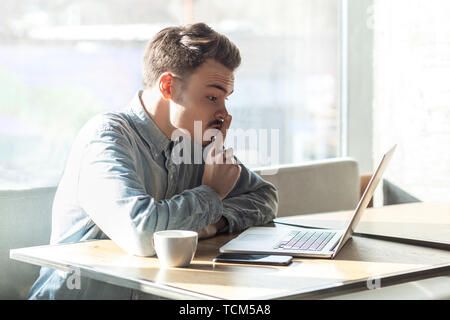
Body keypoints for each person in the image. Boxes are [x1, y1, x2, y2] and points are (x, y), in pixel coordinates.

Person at [28, 22, 278, 299]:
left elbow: (264, 196)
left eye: (225, 99)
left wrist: (209, 224)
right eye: (211, 97)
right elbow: (142, 232)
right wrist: (212, 194)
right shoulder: (106, 138)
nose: (224, 114)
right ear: (168, 86)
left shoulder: (194, 141)